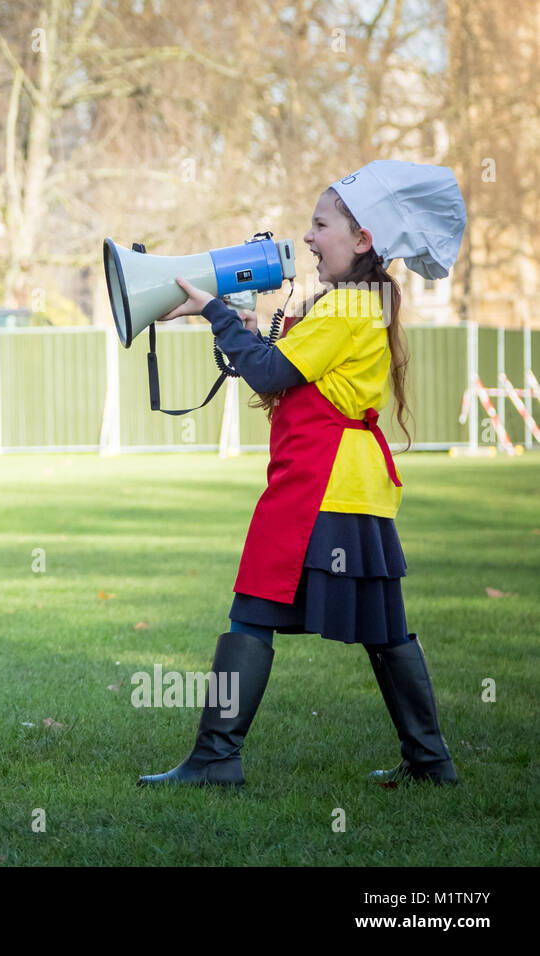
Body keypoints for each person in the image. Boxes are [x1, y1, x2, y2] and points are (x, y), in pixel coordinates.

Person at [137, 160, 466, 787]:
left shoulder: (347, 307)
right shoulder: (361, 302)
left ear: (363, 239)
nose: (309, 238)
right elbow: (283, 370)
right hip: (349, 489)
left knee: (253, 614)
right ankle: (430, 761)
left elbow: (267, 376)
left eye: (321, 225)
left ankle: (215, 759)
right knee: (384, 629)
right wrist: (239, 325)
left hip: (320, 486)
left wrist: (217, 313)